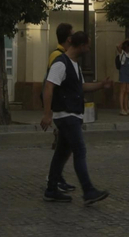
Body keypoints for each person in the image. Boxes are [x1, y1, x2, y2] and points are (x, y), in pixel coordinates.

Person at [41, 30, 112, 205]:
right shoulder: (60, 63)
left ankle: (51, 189)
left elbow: (81, 87)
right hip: (66, 115)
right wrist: (47, 114)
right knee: (79, 150)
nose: (88, 49)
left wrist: (101, 85)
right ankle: (88, 191)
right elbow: (49, 87)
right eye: (88, 46)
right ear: (80, 45)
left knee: (62, 153)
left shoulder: (74, 65)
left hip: (72, 114)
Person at [46, 23, 75, 193]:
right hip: (60, 109)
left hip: (64, 108)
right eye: (72, 35)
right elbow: (51, 85)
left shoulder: (63, 55)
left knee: (64, 147)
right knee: (63, 148)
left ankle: (57, 178)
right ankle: (54, 179)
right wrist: (48, 113)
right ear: (68, 38)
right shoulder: (57, 57)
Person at [114, 39, 129, 116]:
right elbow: (117, 46)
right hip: (124, 72)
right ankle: (122, 109)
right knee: (122, 90)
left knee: (127, 91)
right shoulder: (122, 52)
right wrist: (125, 40)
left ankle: (126, 108)